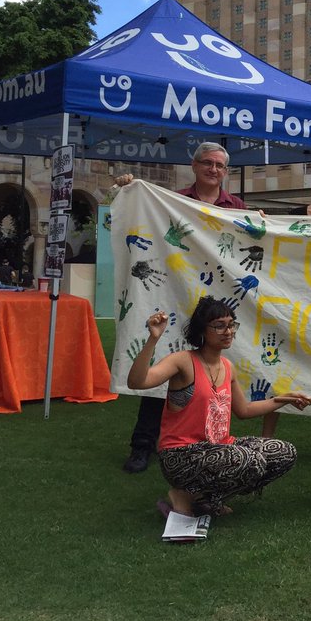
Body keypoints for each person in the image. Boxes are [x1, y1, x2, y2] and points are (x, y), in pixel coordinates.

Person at [116, 142, 248, 474]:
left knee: (204, 374)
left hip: (213, 302)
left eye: (219, 165)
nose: (213, 169)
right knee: (164, 368)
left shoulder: (236, 206)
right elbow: (138, 214)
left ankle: (186, 440)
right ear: (194, 165)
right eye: (207, 163)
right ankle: (142, 446)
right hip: (175, 293)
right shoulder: (172, 202)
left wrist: (257, 220)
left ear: (226, 171)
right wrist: (130, 189)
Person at [127, 297, 311, 517]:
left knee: (283, 453)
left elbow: (244, 411)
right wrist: (153, 339)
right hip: (181, 454)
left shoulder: (227, 367)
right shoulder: (182, 361)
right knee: (248, 460)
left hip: (219, 448)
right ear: (201, 330)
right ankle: (182, 495)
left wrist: (283, 399)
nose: (228, 331)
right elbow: (137, 382)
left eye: (231, 324)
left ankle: (206, 499)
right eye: (219, 326)